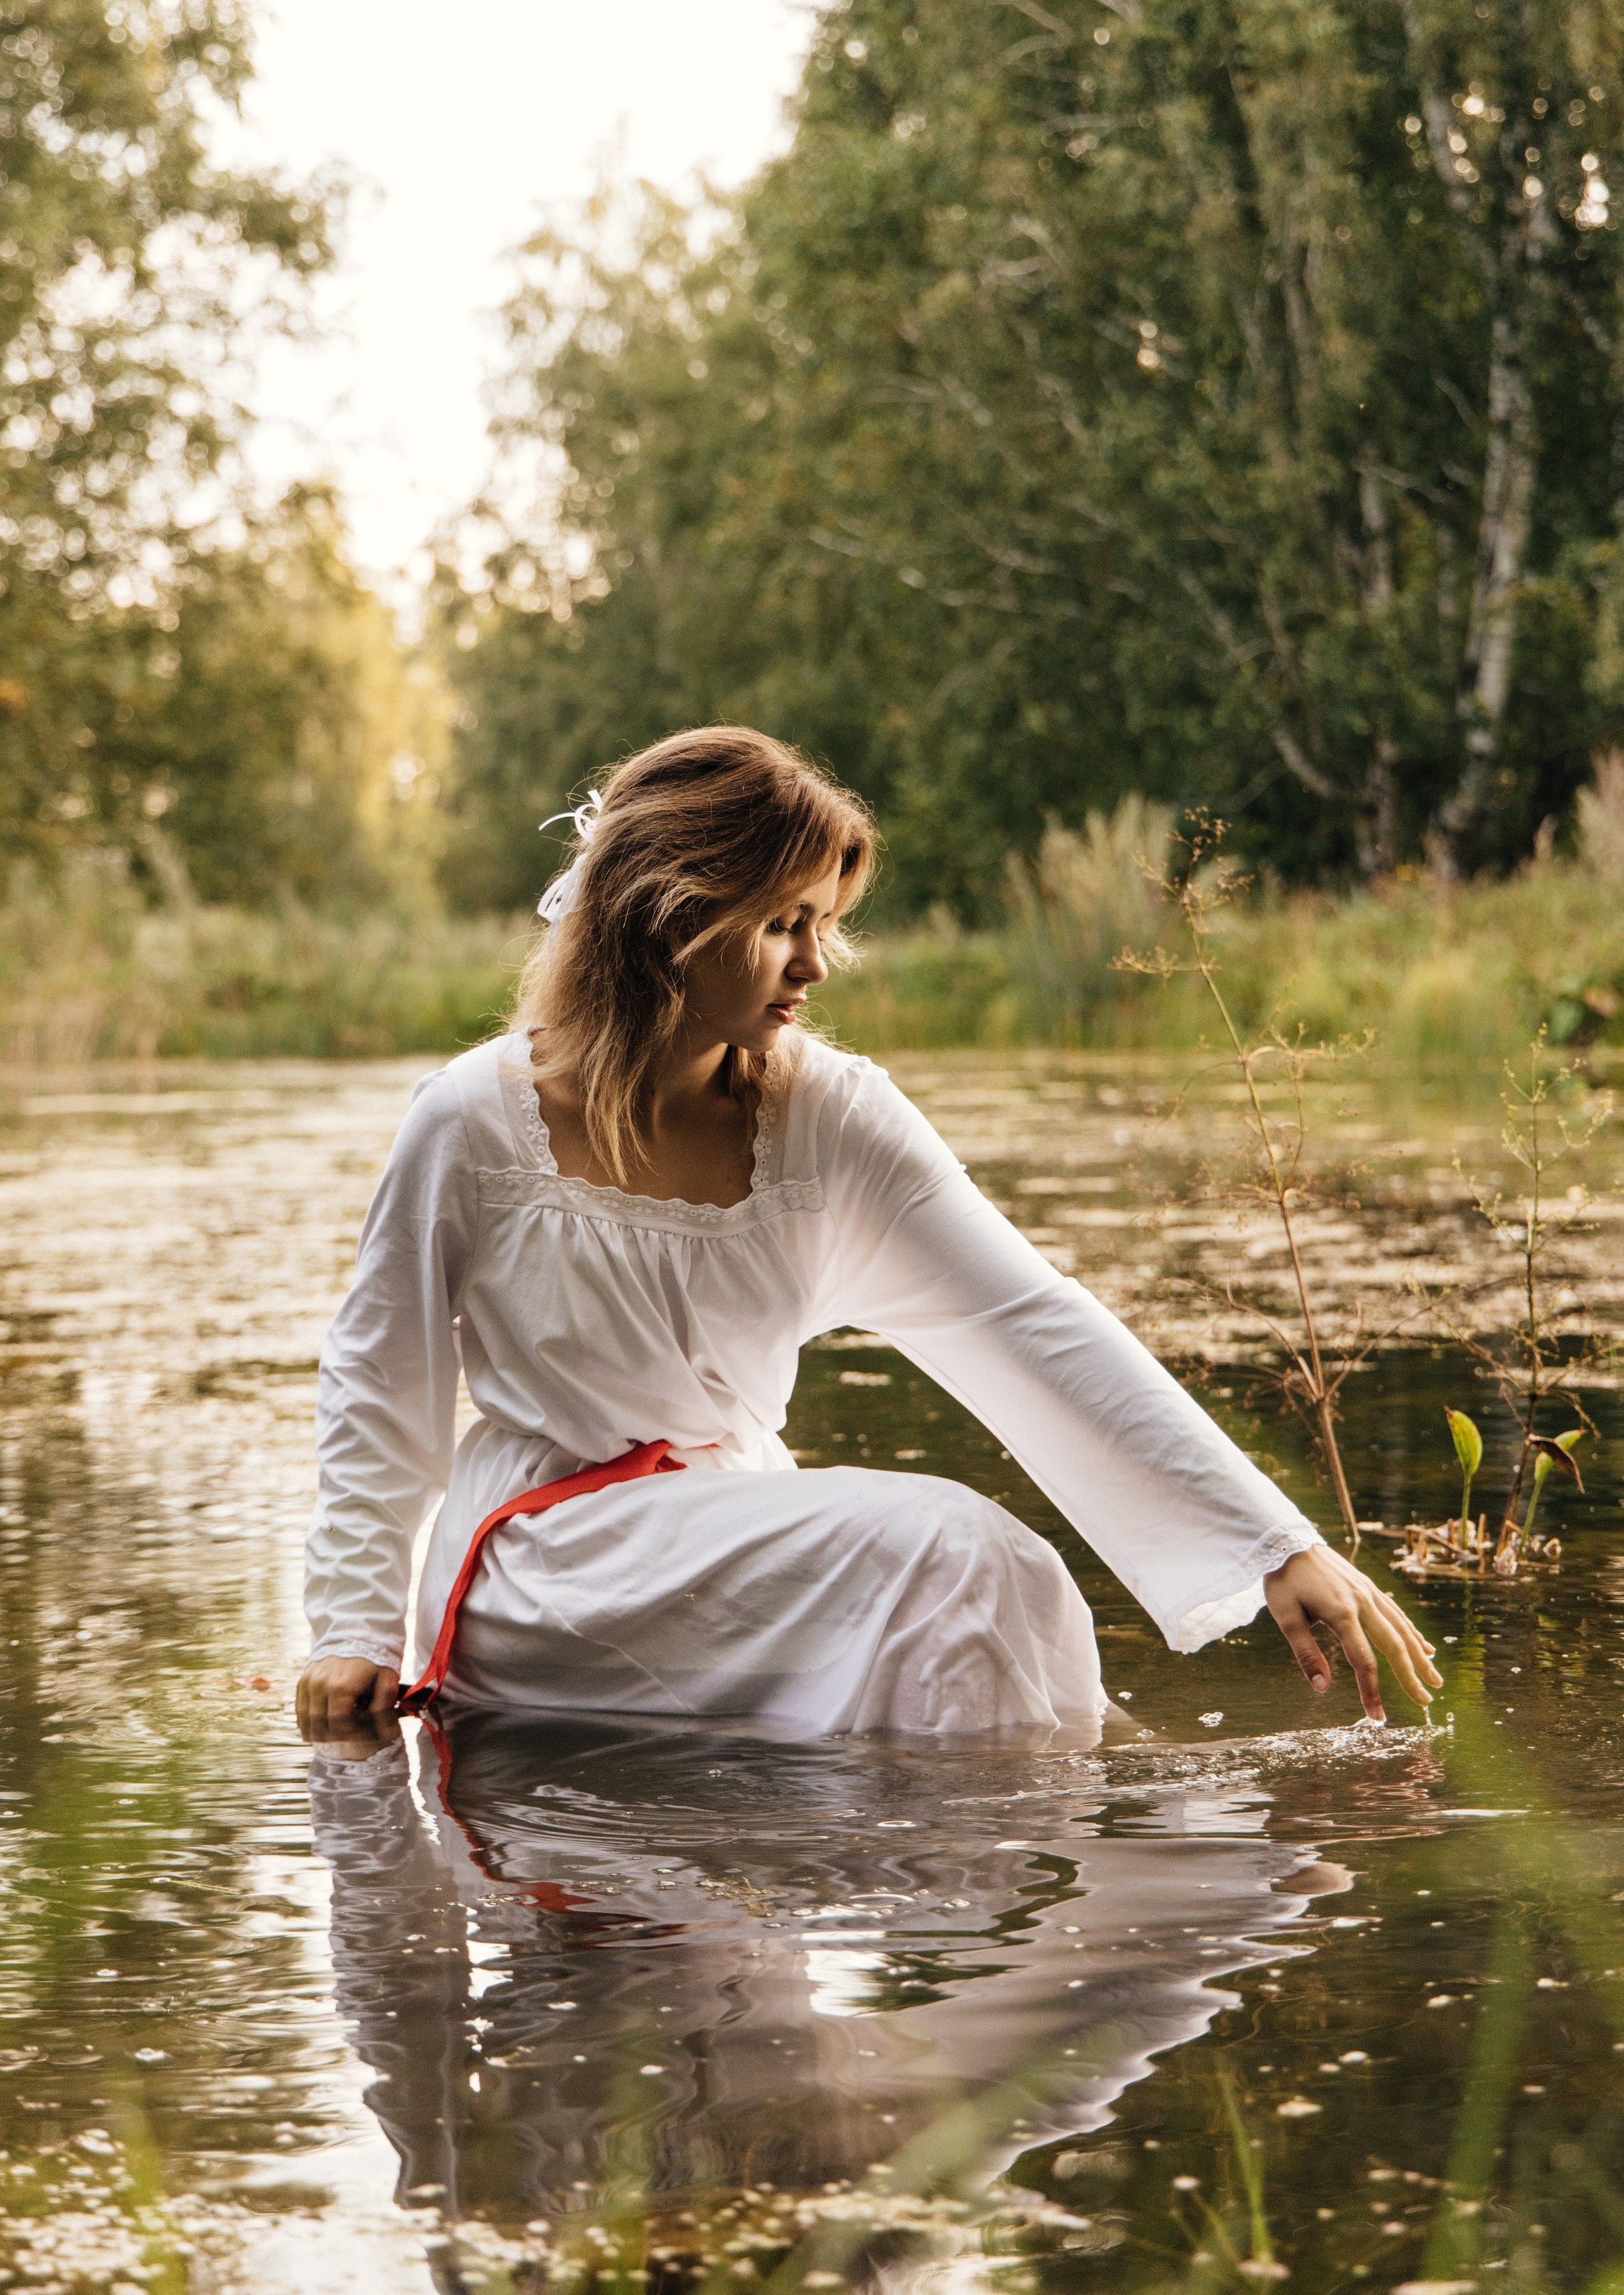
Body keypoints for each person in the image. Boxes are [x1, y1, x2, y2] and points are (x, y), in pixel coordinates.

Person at [297, 726, 1438, 1737]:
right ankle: (1103, 1861)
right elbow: (379, 1378)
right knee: (952, 1552)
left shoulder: (829, 1113)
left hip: (733, 1538)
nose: (814, 963)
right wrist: (350, 1626)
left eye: (824, 924)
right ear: (673, 916)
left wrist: (1268, 1540)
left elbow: (1029, 1319)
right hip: (542, 1562)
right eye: (783, 923)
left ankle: (1068, 1842)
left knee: (981, 1597)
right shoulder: (473, 1119)